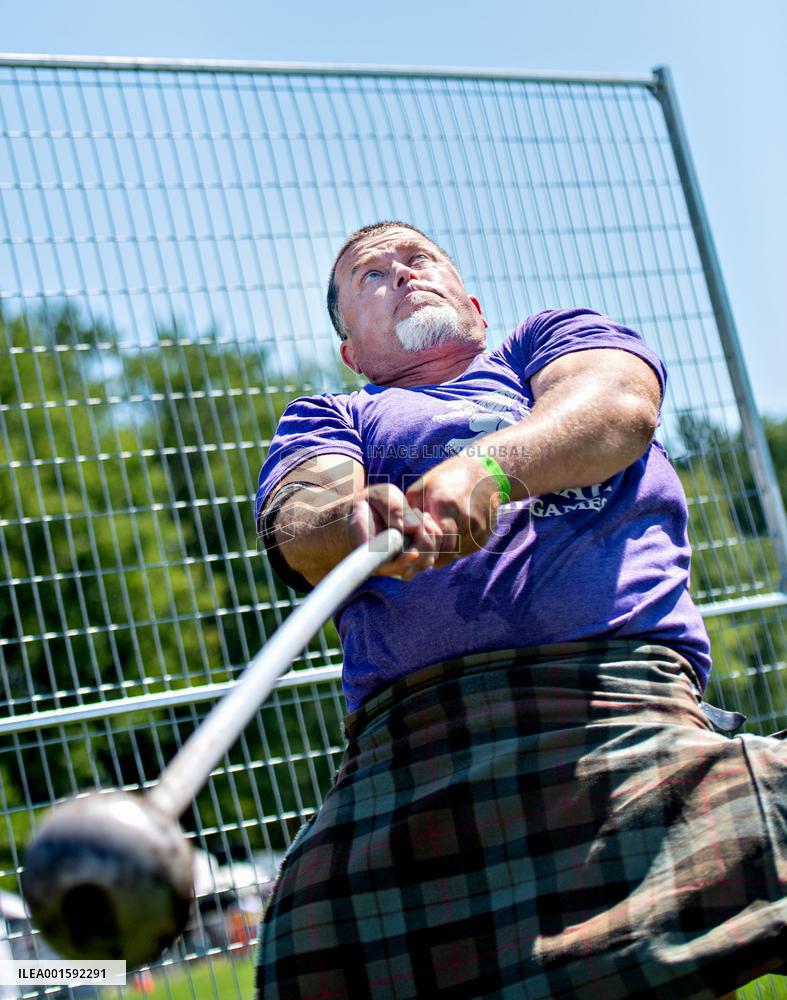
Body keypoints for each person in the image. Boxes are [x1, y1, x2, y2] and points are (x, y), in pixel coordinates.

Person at [253, 221, 786, 999]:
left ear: (472, 304)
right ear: (352, 353)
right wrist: (354, 524)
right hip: (412, 759)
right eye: (370, 275)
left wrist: (487, 469)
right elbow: (301, 521)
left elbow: (618, 407)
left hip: (622, 714)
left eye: (419, 258)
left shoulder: (545, 344)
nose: (402, 274)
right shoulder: (333, 415)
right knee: (305, 947)